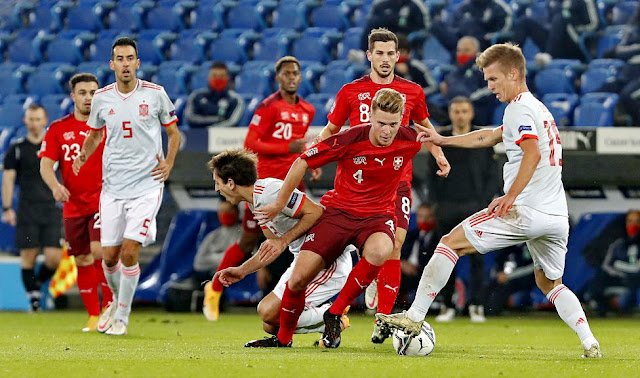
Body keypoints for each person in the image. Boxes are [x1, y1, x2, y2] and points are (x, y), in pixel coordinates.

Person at [376, 43, 602, 358]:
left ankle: (413, 318)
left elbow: (532, 153)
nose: (490, 87)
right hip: (555, 217)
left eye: (494, 79)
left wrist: (510, 197)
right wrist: (444, 140)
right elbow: (490, 136)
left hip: (525, 209)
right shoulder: (536, 108)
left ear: (513, 73)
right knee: (550, 283)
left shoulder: (519, 109)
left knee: (448, 243)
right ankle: (590, 342)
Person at [246, 88, 431, 349]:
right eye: (380, 124)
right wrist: (278, 203)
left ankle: (335, 312)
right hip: (338, 214)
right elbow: (301, 162)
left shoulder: (411, 138)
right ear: (370, 118)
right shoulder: (349, 138)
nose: (387, 131)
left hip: (377, 217)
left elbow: (441, 138)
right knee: (298, 279)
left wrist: (442, 155)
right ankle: (283, 339)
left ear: (402, 119)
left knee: (382, 251)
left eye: (393, 124)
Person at [318, 27, 450, 344]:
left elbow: (424, 127)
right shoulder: (351, 91)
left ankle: (383, 320)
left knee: (395, 246)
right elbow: (331, 130)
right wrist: (314, 159)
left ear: (397, 55)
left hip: (396, 182)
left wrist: (439, 153)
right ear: (369, 55)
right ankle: (345, 300)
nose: (386, 59)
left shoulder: (413, 92)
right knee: (353, 250)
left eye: (391, 53)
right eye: (380, 53)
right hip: (356, 186)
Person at [72, 37, 181, 336]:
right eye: (119, 58)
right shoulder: (103, 98)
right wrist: (83, 153)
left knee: (129, 251)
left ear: (137, 63)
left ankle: (123, 314)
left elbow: (174, 134)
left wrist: (169, 163)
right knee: (108, 257)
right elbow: (94, 135)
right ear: (112, 64)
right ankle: (114, 305)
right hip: (113, 188)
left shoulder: (156, 94)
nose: (124, 64)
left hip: (147, 185)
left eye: (129, 58)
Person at [203, 56, 317, 322]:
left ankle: (309, 302)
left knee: (306, 238)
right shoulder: (267, 107)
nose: (291, 77)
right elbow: (251, 143)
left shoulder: (307, 110)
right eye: (286, 73)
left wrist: (312, 164)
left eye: (295, 73)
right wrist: (288, 148)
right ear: (278, 78)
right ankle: (215, 289)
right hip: (263, 189)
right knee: (250, 240)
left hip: (291, 187)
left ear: (300, 77)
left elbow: (300, 152)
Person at [208, 149, 352, 340]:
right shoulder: (255, 202)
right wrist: (242, 270)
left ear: (231, 183)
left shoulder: (271, 192)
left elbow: (316, 212)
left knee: (270, 313)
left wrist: (284, 241)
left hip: (325, 260)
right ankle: (329, 319)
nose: (217, 189)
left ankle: (332, 314)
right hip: (303, 260)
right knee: (269, 324)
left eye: (217, 183)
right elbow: (272, 246)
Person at [39, 73, 113, 331]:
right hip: (73, 205)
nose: (88, 98)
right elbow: (46, 164)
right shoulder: (59, 129)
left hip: (103, 201)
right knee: (81, 259)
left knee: (100, 253)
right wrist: (55, 186)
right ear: (73, 96)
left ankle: (109, 310)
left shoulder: (108, 126)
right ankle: (93, 315)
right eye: (83, 93)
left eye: (93, 92)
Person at [427, 96, 499, 323]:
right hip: (447, 206)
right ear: (450, 113)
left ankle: (476, 305)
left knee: (477, 257)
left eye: (464, 111)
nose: (460, 115)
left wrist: (485, 203)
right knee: (444, 257)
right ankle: (447, 304)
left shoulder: (483, 138)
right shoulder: (441, 138)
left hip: (474, 206)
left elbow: (492, 175)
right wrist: (435, 204)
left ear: (471, 113)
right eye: (456, 111)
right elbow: (430, 174)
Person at [2, 104, 62, 312]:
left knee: (54, 257)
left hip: (51, 208)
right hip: (27, 209)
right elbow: (8, 179)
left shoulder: (55, 146)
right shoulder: (17, 149)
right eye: (30, 119)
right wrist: (7, 207)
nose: (34, 123)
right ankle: (34, 299)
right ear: (25, 121)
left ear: (45, 121)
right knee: (29, 256)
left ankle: (36, 285)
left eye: (38, 119)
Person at [587, 210, 640, 316]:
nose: (633, 225)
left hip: (634, 281)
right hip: (617, 277)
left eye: (637, 221)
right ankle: (597, 306)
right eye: (630, 221)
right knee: (599, 276)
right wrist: (619, 270)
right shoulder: (618, 244)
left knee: (625, 298)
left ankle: (627, 306)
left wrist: (618, 264)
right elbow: (606, 265)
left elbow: (636, 269)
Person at [440, 37, 497, 126]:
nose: (461, 54)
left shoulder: (485, 68)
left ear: (477, 52)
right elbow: (450, 82)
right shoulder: (457, 68)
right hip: (453, 108)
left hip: (476, 111)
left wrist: (468, 98)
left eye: (466, 51)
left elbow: (490, 89)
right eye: (459, 51)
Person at [397, 204, 438, 309]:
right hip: (405, 271)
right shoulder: (409, 235)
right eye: (420, 217)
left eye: (427, 217)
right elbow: (396, 253)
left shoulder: (440, 238)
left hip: (426, 273)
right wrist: (402, 263)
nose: (424, 220)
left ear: (434, 217)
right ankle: (386, 306)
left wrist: (419, 268)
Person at [191, 201, 242, 285]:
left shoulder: (244, 234)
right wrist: (222, 258)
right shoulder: (212, 235)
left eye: (229, 210)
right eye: (222, 211)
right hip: (208, 275)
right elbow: (198, 262)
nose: (225, 214)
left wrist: (211, 258)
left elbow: (234, 259)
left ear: (237, 212)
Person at [184, 61, 244, 128]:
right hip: (197, 135)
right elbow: (190, 118)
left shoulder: (235, 99)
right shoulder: (196, 96)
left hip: (223, 137)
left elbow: (233, 122)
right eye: (214, 76)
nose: (218, 79)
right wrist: (217, 120)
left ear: (227, 78)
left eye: (221, 76)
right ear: (208, 77)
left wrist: (211, 130)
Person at [485, 244, 536, 316]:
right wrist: (499, 274)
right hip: (504, 278)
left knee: (502, 290)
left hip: (523, 280)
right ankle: (475, 309)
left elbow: (533, 267)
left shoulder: (530, 245)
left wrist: (508, 276)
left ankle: (491, 312)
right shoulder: (506, 246)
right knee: (487, 286)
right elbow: (497, 264)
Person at [359, 0, 430, 51]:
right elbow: (370, 25)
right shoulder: (380, 3)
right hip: (383, 43)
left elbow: (425, 29)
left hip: (406, 46)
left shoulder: (416, 4)